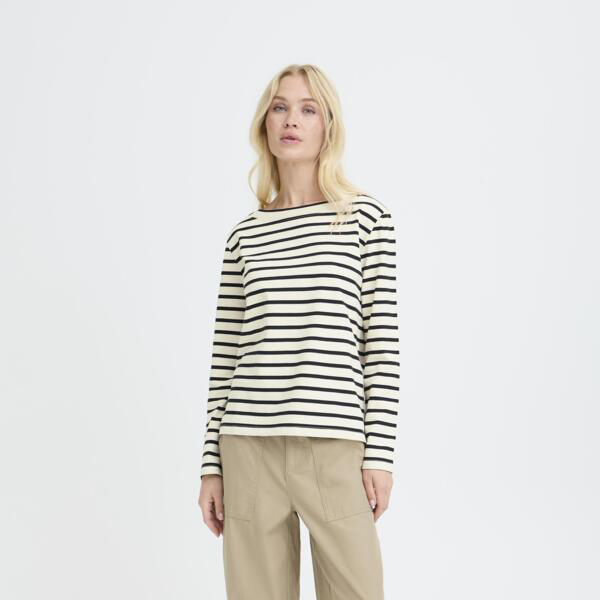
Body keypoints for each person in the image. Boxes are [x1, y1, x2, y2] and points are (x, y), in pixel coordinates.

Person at [197, 63, 400, 600]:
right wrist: (211, 466)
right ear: (264, 124)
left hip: (333, 446)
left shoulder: (365, 220)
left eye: (308, 109)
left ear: (328, 126)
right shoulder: (245, 235)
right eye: (280, 107)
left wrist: (379, 454)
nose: (292, 120)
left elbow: (381, 349)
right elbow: (225, 357)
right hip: (247, 446)